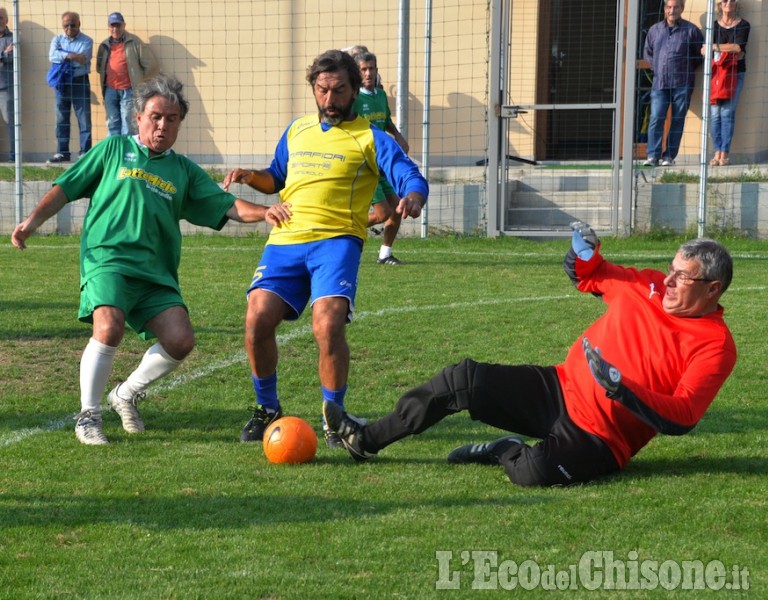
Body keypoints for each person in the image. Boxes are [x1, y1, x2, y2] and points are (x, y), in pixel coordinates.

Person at [324, 226, 737, 487]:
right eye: (671, 268)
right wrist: (584, 251)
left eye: (682, 276)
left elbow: (682, 416)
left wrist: (621, 389)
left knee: (534, 473)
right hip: (559, 387)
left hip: (601, 438)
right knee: (463, 378)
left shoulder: (716, 346)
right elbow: (588, 274)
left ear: (712, 289)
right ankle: (367, 439)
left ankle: (504, 449)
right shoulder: (645, 285)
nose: (667, 280)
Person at [12, 74, 276, 445]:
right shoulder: (113, 149)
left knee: (180, 339)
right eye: (155, 116)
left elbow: (227, 205)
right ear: (138, 117)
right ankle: (88, 415)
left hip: (155, 271)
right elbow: (65, 187)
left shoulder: (183, 170)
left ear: (179, 124)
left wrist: (266, 212)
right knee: (108, 327)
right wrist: (32, 221)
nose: (162, 125)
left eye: (171, 119)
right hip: (108, 258)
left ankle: (125, 393)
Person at [222, 49, 428, 448]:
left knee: (328, 325)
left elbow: (407, 173)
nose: (329, 100)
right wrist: (252, 176)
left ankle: (334, 418)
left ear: (354, 91)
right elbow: (276, 176)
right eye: (322, 90)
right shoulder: (297, 130)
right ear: (313, 89)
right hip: (285, 238)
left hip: (337, 242)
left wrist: (414, 196)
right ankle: (267, 410)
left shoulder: (371, 136)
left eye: (338, 91)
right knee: (256, 320)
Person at [353, 51, 410, 266]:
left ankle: (385, 254)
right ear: (357, 74)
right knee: (382, 213)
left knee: (397, 209)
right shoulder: (354, 99)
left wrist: (397, 135)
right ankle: (336, 229)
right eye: (364, 70)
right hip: (365, 164)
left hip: (383, 163)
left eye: (372, 69)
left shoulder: (380, 95)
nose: (368, 73)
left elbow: (385, 121)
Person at [642, 0, 703, 167]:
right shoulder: (654, 30)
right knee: (656, 118)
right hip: (660, 83)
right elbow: (647, 54)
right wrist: (659, 68)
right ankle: (652, 156)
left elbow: (699, 55)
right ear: (664, 9)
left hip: (682, 83)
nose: (672, 10)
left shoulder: (691, 30)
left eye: (676, 7)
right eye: (669, 7)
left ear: (682, 8)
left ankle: (668, 156)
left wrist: (684, 68)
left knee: (677, 119)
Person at [96, 11, 157, 136]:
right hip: (110, 90)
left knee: (128, 124)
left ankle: (127, 154)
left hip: (128, 90)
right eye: (112, 25)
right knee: (112, 123)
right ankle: (114, 152)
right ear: (108, 27)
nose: (115, 29)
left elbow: (151, 65)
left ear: (124, 25)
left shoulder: (134, 42)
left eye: (118, 25)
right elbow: (99, 67)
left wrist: (138, 80)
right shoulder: (104, 45)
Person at [707, 0, 750, 167]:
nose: (728, 2)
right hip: (716, 74)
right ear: (719, 4)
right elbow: (704, 50)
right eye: (725, 0)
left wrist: (714, 47)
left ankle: (724, 152)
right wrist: (727, 47)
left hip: (735, 73)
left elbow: (738, 48)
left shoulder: (744, 25)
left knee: (727, 113)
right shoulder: (713, 26)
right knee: (715, 114)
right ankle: (716, 151)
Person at [47, 11, 93, 163]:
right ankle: (62, 153)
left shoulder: (87, 41)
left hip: (80, 82)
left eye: (73, 24)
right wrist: (70, 55)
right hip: (62, 83)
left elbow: (83, 59)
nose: (70, 28)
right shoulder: (57, 39)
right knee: (61, 119)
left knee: (84, 119)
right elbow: (52, 56)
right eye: (66, 25)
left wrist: (63, 54)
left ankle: (85, 153)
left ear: (79, 24)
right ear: (62, 25)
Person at [0, 7, 14, 162]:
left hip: (6, 88)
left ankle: (13, 156)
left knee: (11, 122)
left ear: (7, 20)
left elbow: (12, 58)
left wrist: (5, 56)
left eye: (1, 17)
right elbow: (7, 56)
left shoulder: (13, 38)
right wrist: (3, 53)